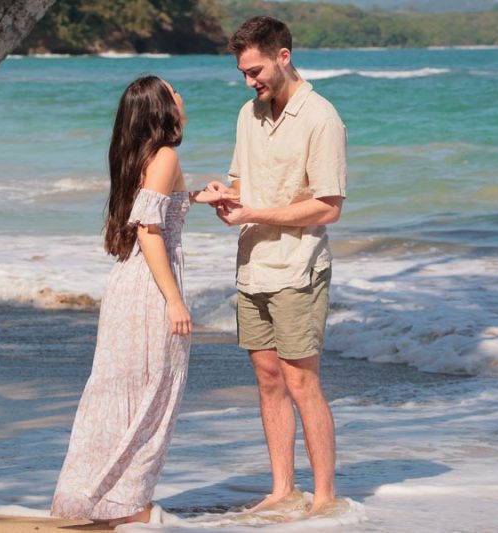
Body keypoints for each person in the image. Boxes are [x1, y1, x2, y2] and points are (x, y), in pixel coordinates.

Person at [50, 75, 236, 527]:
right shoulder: (166, 156)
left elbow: (150, 210)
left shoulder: (142, 156)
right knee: (153, 393)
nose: (181, 95)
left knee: (119, 392)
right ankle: (129, 505)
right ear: (161, 108)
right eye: (173, 91)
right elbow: (150, 230)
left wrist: (196, 197)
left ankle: (98, 498)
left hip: (127, 284)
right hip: (150, 287)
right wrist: (174, 299)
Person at [207, 16, 347, 514]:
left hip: (298, 267)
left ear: (283, 56)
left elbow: (329, 206)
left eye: (256, 70)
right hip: (253, 265)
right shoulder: (249, 114)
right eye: (244, 73)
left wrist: (254, 212)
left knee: (301, 382)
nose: (250, 82)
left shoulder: (321, 118)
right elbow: (244, 186)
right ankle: (282, 489)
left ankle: (325, 498)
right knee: (267, 380)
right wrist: (224, 197)